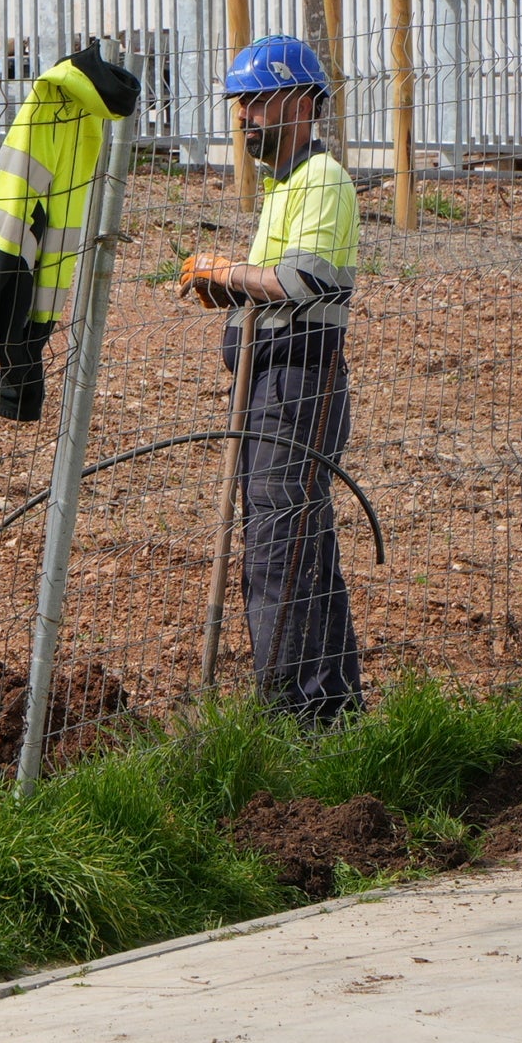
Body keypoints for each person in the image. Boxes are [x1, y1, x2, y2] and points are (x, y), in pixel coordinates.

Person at [178, 36, 364, 723]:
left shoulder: (322, 180)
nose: (245, 117)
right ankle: (332, 711)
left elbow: (304, 279)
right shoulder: (288, 187)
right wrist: (229, 290)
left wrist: (220, 272)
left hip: (298, 383)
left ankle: (296, 718)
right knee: (295, 542)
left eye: (256, 101)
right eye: (240, 105)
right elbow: (281, 291)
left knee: (280, 550)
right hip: (272, 384)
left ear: (298, 101)